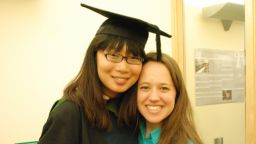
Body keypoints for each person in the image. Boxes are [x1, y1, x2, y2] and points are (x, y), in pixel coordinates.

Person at [38, 3, 171, 144]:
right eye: (113, 55)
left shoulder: (137, 109)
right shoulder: (69, 112)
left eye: (133, 57)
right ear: (94, 56)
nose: (123, 68)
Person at [128, 52, 203, 144]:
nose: (154, 97)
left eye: (164, 88)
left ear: (177, 94)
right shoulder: (128, 130)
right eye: (145, 87)